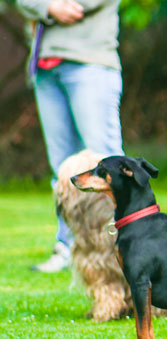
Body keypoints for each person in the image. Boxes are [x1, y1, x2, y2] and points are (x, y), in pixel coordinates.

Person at [16, 0, 124, 272]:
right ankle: (68, 246)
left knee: (107, 164)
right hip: (44, 66)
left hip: (90, 62)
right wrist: (48, 7)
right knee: (63, 170)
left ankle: (124, 245)